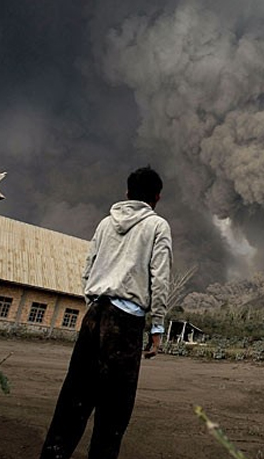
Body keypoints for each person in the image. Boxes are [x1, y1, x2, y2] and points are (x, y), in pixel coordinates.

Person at [40, 166, 172, 459]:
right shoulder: (157, 226)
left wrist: (93, 307)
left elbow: (87, 270)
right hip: (125, 323)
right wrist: (158, 327)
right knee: (114, 412)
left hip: (94, 315)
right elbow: (159, 278)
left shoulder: (104, 224)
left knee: (72, 401)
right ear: (157, 197)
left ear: (127, 193)